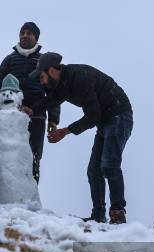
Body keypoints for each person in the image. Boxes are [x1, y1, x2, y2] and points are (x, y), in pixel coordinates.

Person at [27, 52, 133, 224]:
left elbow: (93, 116)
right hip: (104, 121)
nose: (41, 82)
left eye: (41, 77)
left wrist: (65, 131)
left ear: (52, 71)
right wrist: (31, 110)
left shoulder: (80, 77)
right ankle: (98, 215)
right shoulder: (62, 84)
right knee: (94, 170)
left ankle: (118, 214)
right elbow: (50, 101)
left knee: (109, 164)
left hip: (119, 116)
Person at [0, 22, 60, 183]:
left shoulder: (43, 61)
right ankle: (12, 191)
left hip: (37, 114)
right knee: (12, 152)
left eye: (29, 33)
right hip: (12, 114)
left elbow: (54, 92)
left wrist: (53, 118)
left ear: (36, 38)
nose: (24, 35)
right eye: (22, 32)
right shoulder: (9, 60)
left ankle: (32, 193)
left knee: (34, 155)